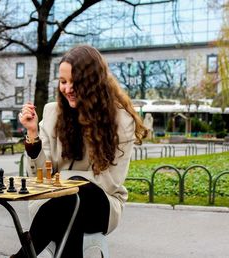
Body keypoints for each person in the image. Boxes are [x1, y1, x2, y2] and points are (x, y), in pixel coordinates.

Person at [13, 45, 147, 258]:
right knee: (69, 208)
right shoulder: (52, 113)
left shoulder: (121, 121)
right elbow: (43, 178)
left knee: (78, 192)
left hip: (100, 204)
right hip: (52, 201)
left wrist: (67, 180)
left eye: (75, 82)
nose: (67, 88)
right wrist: (32, 135)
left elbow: (109, 182)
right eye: (63, 81)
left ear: (93, 82)